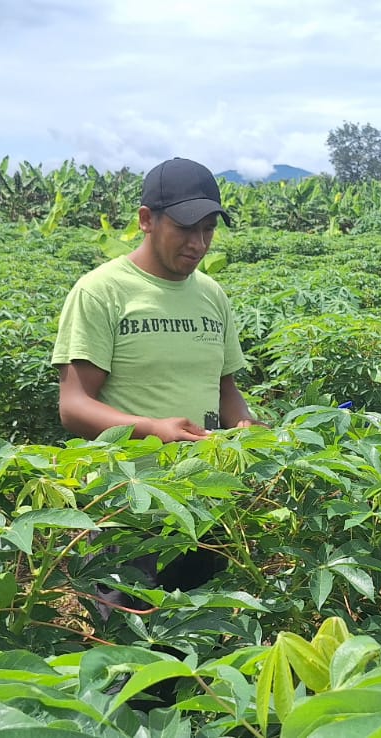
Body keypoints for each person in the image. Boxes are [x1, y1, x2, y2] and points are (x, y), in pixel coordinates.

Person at [52, 156, 259, 604]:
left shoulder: (212, 295)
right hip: (129, 501)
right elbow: (74, 405)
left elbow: (225, 389)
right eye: (185, 229)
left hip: (206, 497)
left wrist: (246, 424)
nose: (198, 244)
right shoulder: (100, 292)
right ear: (147, 220)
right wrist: (153, 430)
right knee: (132, 638)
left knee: (199, 632)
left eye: (208, 230)